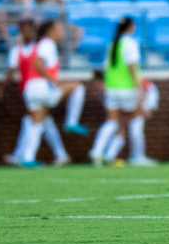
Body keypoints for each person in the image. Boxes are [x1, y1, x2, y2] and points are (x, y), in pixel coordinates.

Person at [12, 19, 85, 167]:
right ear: (50, 31)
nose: (61, 32)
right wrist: (52, 80)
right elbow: (38, 63)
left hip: (30, 88)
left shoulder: (41, 44)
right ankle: (71, 121)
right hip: (42, 87)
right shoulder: (48, 43)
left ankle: (28, 158)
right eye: (58, 28)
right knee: (78, 87)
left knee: (36, 123)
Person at [89, 16, 157, 167]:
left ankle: (97, 151)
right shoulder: (130, 43)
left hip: (112, 89)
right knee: (136, 121)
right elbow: (132, 67)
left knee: (112, 122)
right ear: (131, 27)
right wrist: (138, 89)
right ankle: (138, 156)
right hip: (127, 89)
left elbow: (107, 69)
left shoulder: (112, 44)